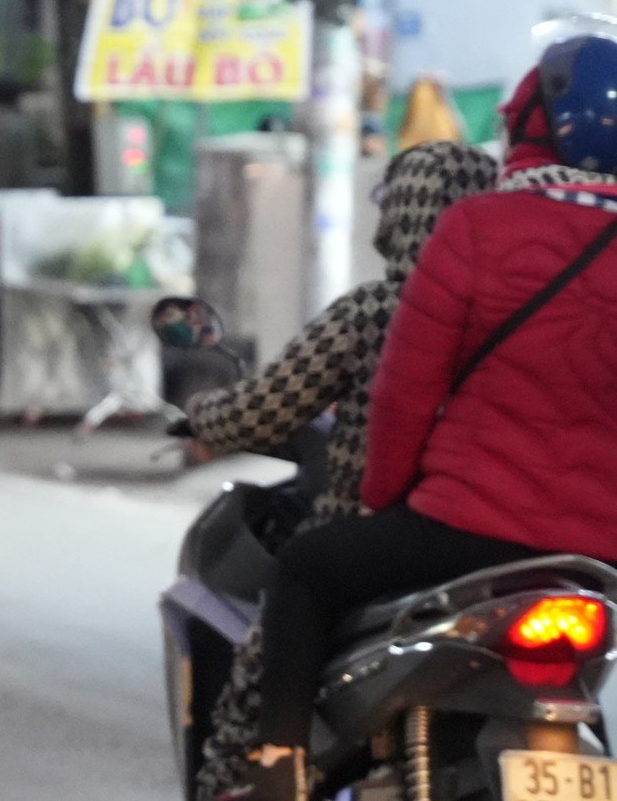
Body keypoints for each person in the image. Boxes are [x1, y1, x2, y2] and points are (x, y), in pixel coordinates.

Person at [234, 39, 617, 801]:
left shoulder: (479, 228)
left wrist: (386, 499)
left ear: (533, 125)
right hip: (600, 553)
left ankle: (278, 762)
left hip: (466, 527)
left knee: (307, 570)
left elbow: (405, 395)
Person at [184, 140, 497, 801]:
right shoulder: (512, 309)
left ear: (401, 217)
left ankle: (270, 766)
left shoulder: (377, 311)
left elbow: (264, 407)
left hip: (391, 530)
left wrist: (203, 414)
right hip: (515, 538)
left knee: (284, 607)